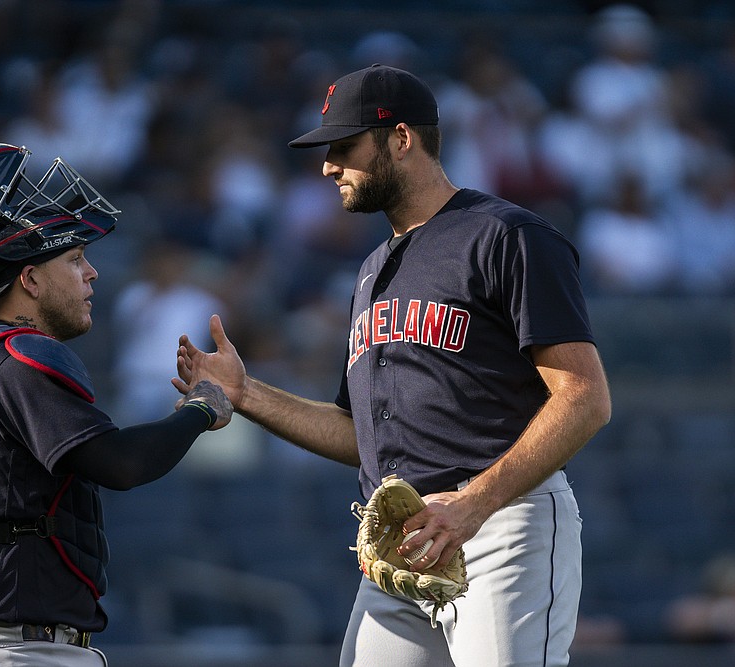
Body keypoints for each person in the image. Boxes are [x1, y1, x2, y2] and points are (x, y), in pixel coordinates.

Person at [174, 65, 612, 667]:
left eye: (344, 147)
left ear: (401, 140)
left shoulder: (507, 236)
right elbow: (358, 435)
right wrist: (246, 394)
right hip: (405, 536)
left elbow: (584, 398)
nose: (329, 165)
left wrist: (473, 503)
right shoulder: (372, 268)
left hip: (500, 523)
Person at [0, 143, 232, 667]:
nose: (92, 274)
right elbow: (121, 464)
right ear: (30, 279)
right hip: (17, 649)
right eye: (75, 258)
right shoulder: (19, 358)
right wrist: (201, 409)